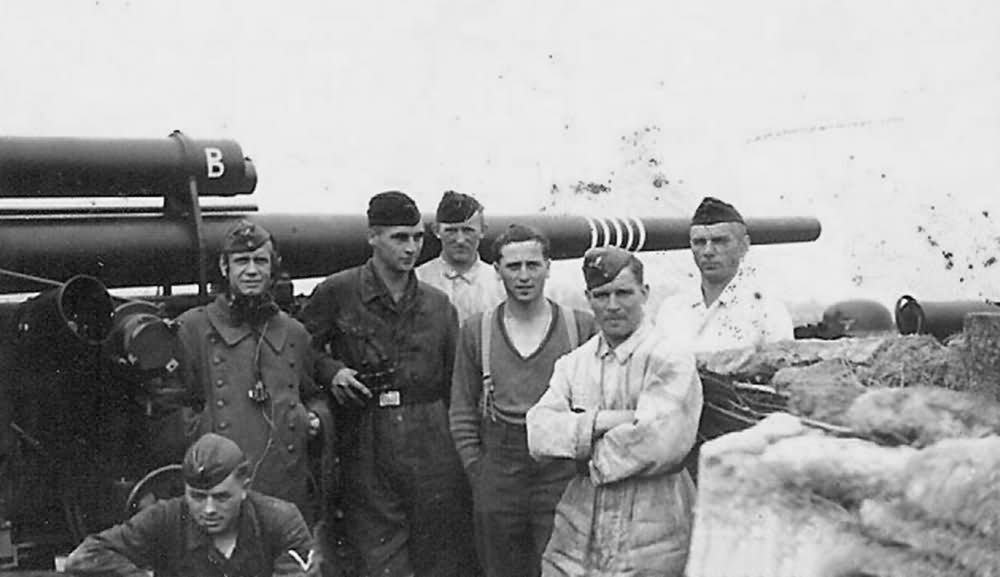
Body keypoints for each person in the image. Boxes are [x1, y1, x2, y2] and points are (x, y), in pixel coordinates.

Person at [298, 191, 477, 577]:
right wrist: (332, 371)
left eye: (417, 237)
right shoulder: (338, 292)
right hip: (367, 437)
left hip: (431, 439)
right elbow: (298, 349)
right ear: (372, 237)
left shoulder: (437, 305)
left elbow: (458, 385)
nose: (411, 248)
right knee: (379, 558)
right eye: (399, 238)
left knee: (439, 555)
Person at [526, 246, 702, 577]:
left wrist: (579, 442)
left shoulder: (670, 358)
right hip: (579, 526)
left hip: (655, 526)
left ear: (644, 293)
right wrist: (610, 420)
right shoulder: (573, 364)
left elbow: (659, 442)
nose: (612, 305)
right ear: (588, 298)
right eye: (601, 295)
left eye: (623, 293)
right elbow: (538, 432)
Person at [451, 224, 597, 577]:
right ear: (497, 270)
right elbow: (462, 410)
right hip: (499, 472)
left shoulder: (580, 327)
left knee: (562, 567)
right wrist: (478, 472)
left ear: (548, 266)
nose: (524, 276)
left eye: (533, 265)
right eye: (513, 266)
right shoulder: (477, 330)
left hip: (562, 471)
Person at [173, 220, 328, 521]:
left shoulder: (294, 333)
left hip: (286, 485)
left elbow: (314, 395)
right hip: (219, 487)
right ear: (224, 267)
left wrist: (313, 419)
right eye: (242, 261)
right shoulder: (192, 328)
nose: (252, 270)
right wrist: (208, 430)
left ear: (273, 268)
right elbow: (169, 408)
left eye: (261, 261)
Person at [64, 433, 319, 577]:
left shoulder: (280, 520)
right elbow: (84, 557)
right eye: (197, 497)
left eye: (221, 497)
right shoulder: (165, 517)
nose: (208, 509)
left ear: (244, 488)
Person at [655, 196, 794, 352]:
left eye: (720, 241)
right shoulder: (671, 310)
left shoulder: (767, 311)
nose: (708, 251)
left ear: (744, 246)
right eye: (699, 242)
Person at [416, 190, 505, 323]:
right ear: (436, 230)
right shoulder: (417, 280)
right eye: (451, 231)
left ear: (483, 231)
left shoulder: (500, 283)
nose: (460, 240)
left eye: (468, 230)